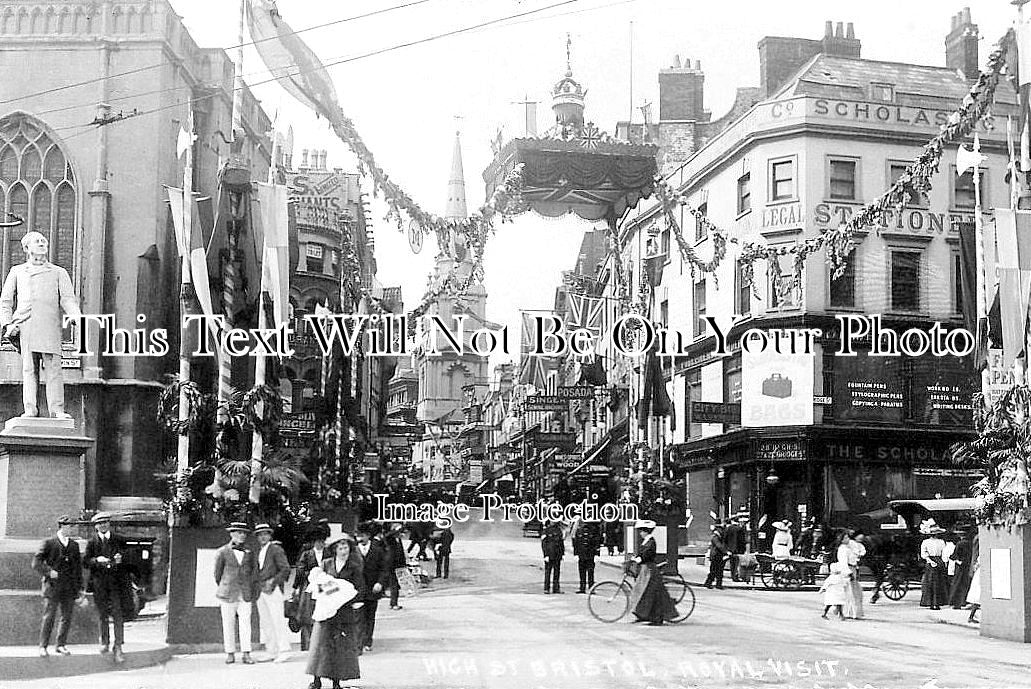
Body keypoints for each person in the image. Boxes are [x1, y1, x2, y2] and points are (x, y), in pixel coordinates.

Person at [0, 230, 81, 419]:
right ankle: (30, 409)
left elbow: (68, 299)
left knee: (54, 368)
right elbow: (5, 301)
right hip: (25, 325)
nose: (42, 243)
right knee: (29, 368)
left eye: (43, 241)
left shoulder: (59, 272)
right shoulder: (17, 271)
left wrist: (76, 316)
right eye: (37, 241)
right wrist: (7, 324)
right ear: (27, 248)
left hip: (50, 325)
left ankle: (57, 410)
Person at [306, 533, 366, 689]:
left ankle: (336, 682)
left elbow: (360, 588)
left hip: (344, 611)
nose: (343, 550)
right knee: (321, 644)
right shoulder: (326, 564)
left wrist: (346, 597)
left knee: (339, 646)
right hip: (326, 610)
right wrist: (331, 591)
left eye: (345, 546)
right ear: (334, 549)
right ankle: (316, 679)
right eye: (340, 547)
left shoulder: (354, 566)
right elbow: (318, 585)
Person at [84, 512, 133, 663]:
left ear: (109, 524)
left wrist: (121, 559)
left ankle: (118, 646)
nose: (103, 525)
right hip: (100, 584)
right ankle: (104, 642)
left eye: (105, 522)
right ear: (96, 526)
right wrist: (97, 560)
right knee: (102, 614)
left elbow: (130, 557)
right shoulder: (92, 542)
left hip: (117, 584)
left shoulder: (119, 539)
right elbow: (85, 561)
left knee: (118, 614)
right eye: (100, 523)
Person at [33, 514, 82, 657]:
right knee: (49, 616)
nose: (72, 529)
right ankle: (43, 646)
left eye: (73, 526)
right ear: (62, 526)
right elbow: (36, 563)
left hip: (69, 587)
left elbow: (77, 569)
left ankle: (61, 645)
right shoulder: (49, 543)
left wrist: (79, 589)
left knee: (66, 617)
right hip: (52, 587)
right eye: (70, 526)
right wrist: (48, 572)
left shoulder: (74, 545)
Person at [214, 522, 256, 665]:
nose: (242, 535)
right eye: (239, 532)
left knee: (246, 624)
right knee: (228, 623)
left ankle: (246, 653)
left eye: (244, 533)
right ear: (231, 534)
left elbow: (251, 572)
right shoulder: (222, 551)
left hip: (244, 593)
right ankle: (230, 653)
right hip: (227, 593)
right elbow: (217, 574)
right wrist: (226, 586)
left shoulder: (249, 553)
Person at [628, 520, 679, 625]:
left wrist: (638, 559)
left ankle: (656, 618)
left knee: (650, 594)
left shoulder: (651, 542)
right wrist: (636, 557)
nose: (641, 533)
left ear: (646, 531)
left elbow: (648, 555)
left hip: (650, 570)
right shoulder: (646, 541)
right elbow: (642, 553)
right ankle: (642, 614)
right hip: (645, 569)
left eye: (642, 531)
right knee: (641, 592)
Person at [253, 523, 292, 662]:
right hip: (261, 590)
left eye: (265, 534)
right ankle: (272, 650)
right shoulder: (259, 551)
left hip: (273, 589)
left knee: (277, 620)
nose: (263, 537)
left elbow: (285, 569)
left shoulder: (275, 549)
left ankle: (285, 650)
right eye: (260, 535)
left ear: (270, 535)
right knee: (266, 621)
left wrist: (273, 582)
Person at [294, 523, 330, 651]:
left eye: (322, 541)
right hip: (308, 587)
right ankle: (307, 644)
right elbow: (300, 570)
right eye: (317, 541)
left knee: (324, 613)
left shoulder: (329, 552)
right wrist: (297, 586)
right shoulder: (307, 554)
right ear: (313, 542)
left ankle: (324, 644)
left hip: (325, 586)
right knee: (307, 614)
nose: (320, 544)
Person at [355, 522, 391, 653]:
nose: (360, 538)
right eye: (358, 536)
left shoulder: (377, 550)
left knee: (370, 616)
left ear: (368, 536)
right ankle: (359, 642)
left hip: (372, 589)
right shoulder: (353, 551)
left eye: (363, 536)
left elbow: (384, 569)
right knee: (358, 616)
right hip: (357, 590)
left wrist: (380, 583)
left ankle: (367, 641)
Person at [836, 530, 865, 620]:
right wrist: (849, 573)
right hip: (848, 570)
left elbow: (858, 552)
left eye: (848, 537)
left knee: (855, 592)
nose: (848, 539)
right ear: (841, 540)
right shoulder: (842, 549)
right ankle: (848, 612)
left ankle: (854, 613)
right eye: (845, 538)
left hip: (853, 569)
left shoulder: (849, 547)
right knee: (849, 592)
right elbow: (843, 563)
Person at [919, 524, 948, 610]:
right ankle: (937, 603)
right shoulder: (941, 542)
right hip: (939, 561)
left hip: (932, 561)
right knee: (938, 582)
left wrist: (930, 561)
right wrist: (944, 562)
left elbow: (924, 554)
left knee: (931, 582)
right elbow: (944, 554)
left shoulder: (926, 542)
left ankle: (932, 603)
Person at [572, 521, 601, 593]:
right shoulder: (579, 531)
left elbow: (597, 543)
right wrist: (575, 554)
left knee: (590, 572)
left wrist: (597, 554)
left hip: (590, 555)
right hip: (582, 555)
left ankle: (591, 588)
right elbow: (576, 543)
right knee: (582, 572)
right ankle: (582, 588)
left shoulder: (593, 530)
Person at [383, 523, 407, 610]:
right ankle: (394, 603)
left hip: (398, 564)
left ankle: (393, 603)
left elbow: (401, 553)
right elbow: (387, 535)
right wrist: (395, 530)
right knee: (394, 584)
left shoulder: (398, 540)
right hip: (391, 565)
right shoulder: (390, 539)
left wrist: (404, 564)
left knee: (395, 584)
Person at [949, 529, 975, 609]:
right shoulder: (970, 543)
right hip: (968, 564)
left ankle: (957, 603)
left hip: (960, 565)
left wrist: (954, 558)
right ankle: (964, 601)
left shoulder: (960, 544)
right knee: (965, 583)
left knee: (957, 583)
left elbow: (954, 555)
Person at [541, 520, 565, 594]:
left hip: (557, 554)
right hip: (549, 554)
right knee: (548, 572)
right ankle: (546, 588)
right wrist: (545, 555)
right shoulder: (546, 531)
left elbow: (561, 543)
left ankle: (556, 588)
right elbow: (544, 544)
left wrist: (562, 553)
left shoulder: (559, 530)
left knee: (557, 572)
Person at [704, 524, 728, 589]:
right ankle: (708, 583)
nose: (722, 530)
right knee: (714, 570)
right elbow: (719, 545)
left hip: (719, 556)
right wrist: (725, 551)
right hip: (715, 556)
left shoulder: (720, 536)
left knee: (719, 571)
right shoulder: (715, 537)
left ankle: (718, 584)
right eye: (721, 529)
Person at [724, 516, 746, 582]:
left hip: (730, 549)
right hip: (738, 549)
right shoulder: (740, 529)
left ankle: (732, 575)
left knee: (732, 563)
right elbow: (742, 540)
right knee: (737, 563)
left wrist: (726, 548)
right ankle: (735, 576)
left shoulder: (728, 528)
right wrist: (743, 549)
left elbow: (725, 538)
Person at [966, 556, 981, 623]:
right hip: (980, 575)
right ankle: (971, 616)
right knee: (978, 596)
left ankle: (972, 616)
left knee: (978, 597)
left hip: (979, 574)